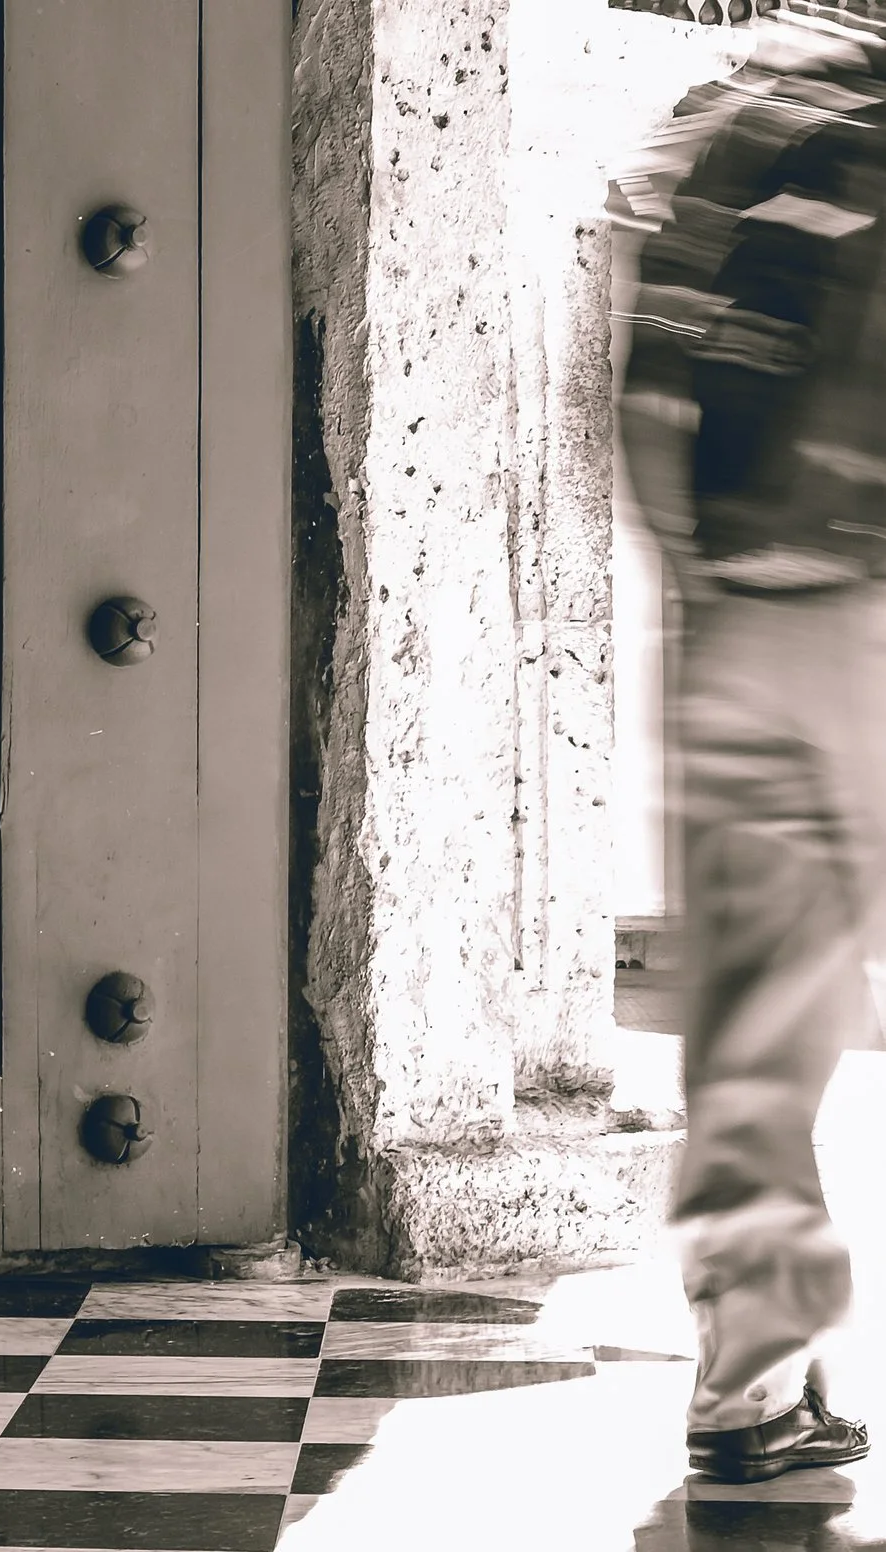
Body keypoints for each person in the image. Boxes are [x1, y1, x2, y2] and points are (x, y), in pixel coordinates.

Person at [612, 0, 886, 1485]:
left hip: (735, 626)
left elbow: (647, 405)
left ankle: (752, 1385)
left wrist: (714, 597)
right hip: (859, 624)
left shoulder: (739, 136)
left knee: (760, 1041)